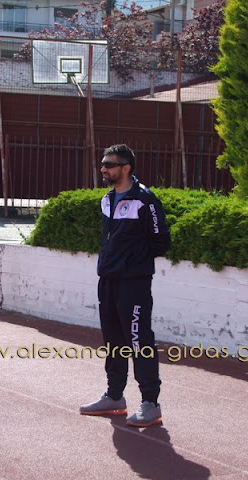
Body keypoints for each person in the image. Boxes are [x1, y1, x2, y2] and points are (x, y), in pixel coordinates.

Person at [80, 144, 171, 427]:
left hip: (134, 283)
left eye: (109, 164)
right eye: (103, 164)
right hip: (108, 280)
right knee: (113, 341)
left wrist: (132, 262)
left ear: (126, 168)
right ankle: (114, 396)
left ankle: (150, 403)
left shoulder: (145, 200)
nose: (103, 169)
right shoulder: (107, 200)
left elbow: (161, 241)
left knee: (139, 340)